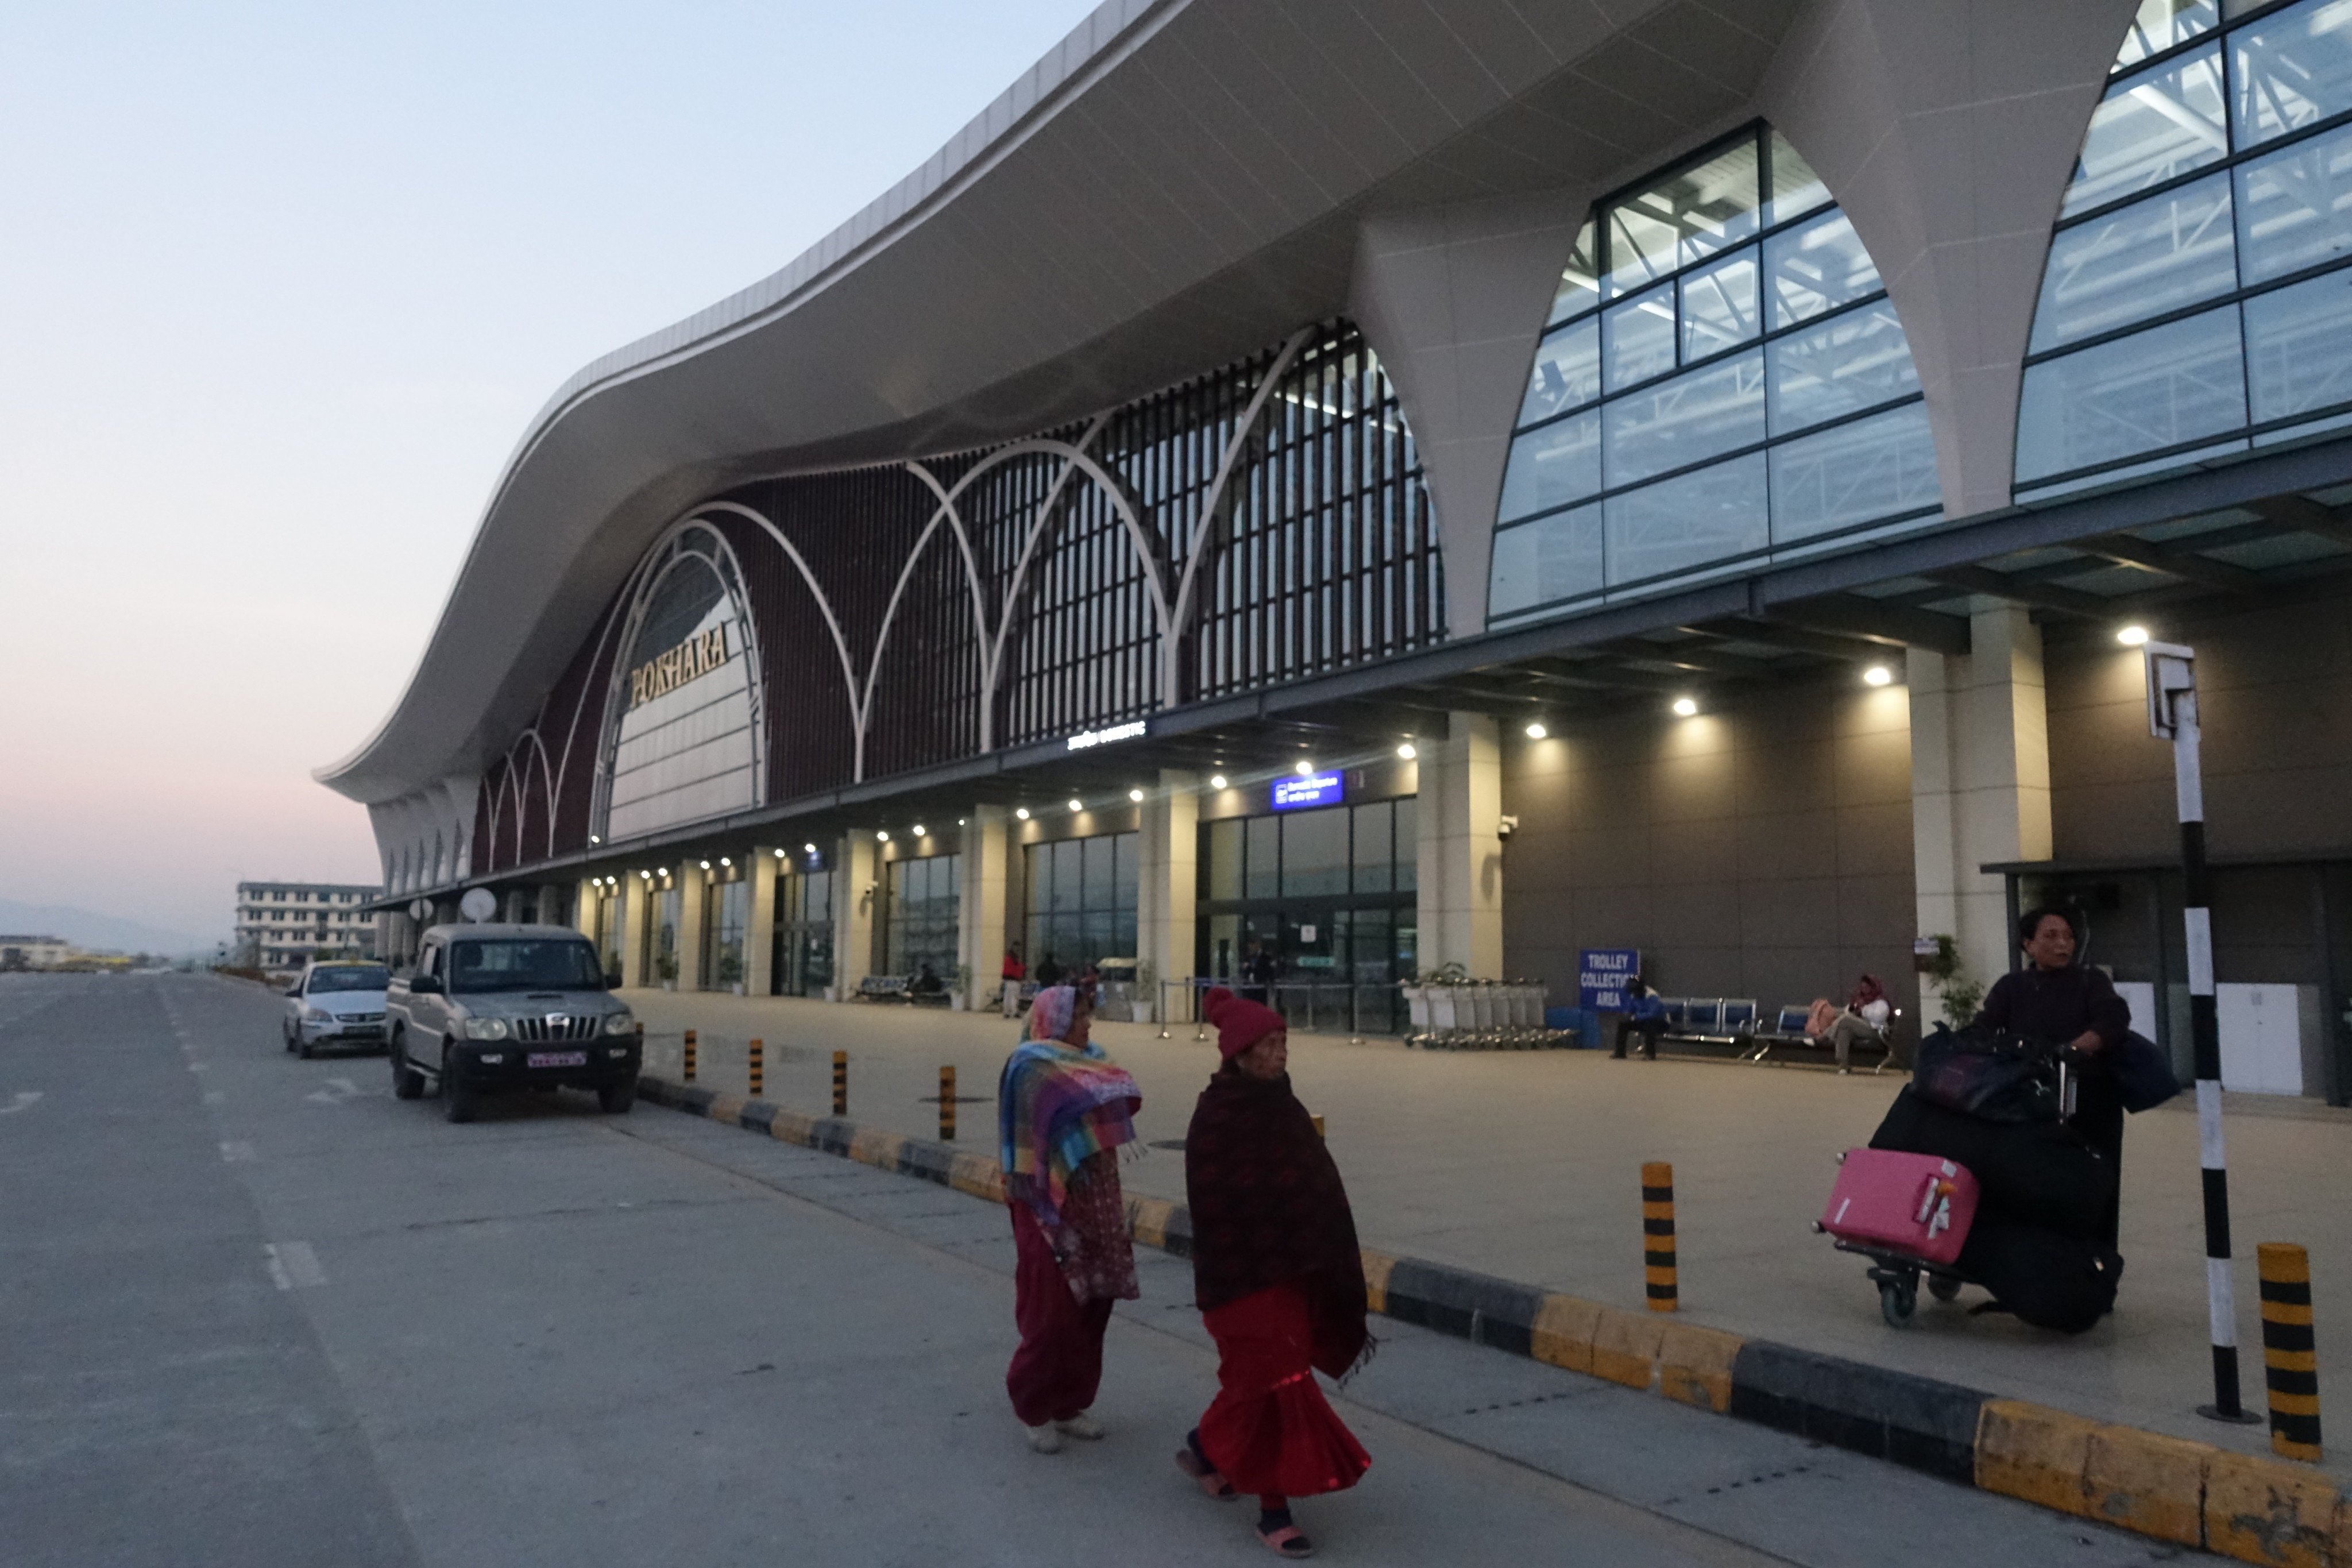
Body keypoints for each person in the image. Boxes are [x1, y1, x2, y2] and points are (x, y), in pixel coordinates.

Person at [1178, 986, 1372, 1560]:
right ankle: (1274, 1510)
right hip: (1239, 1277)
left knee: (1254, 1385)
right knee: (1279, 1386)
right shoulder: (1217, 1115)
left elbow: (1314, 1182)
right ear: (1239, 1053)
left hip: (1290, 1272)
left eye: (1283, 1039)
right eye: (1268, 1042)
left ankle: (1203, 1447)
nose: (1279, 1051)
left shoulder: (1284, 1108)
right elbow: (1215, 1199)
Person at [998, 984, 1143, 1454]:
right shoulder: (1029, 1067)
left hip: (1095, 1196)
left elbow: (1121, 1095)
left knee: (1093, 1306)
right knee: (1052, 1308)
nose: (1087, 1024)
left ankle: (1070, 1402)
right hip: (1045, 1201)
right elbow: (1033, 1139)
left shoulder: (1094, 1059)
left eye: (1087, 1014)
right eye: (1078, 1016)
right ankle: (1032, 1402)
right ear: (1055, 1021)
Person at [1972, 906, 2132, 1248]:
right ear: (2028, 945)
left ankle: (2095, 1268)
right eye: (2051, 936)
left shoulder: (2090, 981)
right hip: (2032, 1100)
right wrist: (1956, 1045)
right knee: (2030, 1181)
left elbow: (2112, 1020)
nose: (2063, 944)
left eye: (2068, 937)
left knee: (2094, 1183)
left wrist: (2076, 1048)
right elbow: (1985, 1025)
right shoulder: (2012, 986)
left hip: (2089, 1099)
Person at [1611, 978, 1667, 1060]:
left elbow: (1653, 1014)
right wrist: (1627, 1016)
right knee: (1623, 1024)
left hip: (1661, 1023)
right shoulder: (1635, 995)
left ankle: (1650, 1054)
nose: (1634, 993)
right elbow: (1631, 1010)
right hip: (1643, 1021)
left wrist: (1637, 1016)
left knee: (1650, 1023)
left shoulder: (1652, 996)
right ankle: (1620, 1053)